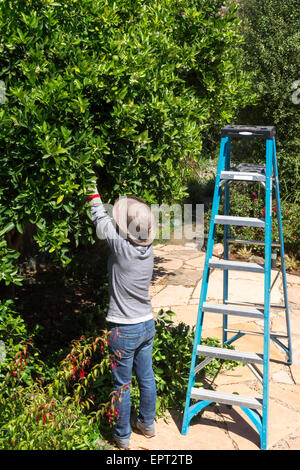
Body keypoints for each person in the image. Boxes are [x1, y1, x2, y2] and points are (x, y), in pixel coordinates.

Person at [87, 178, 157, 450]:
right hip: (146, 324)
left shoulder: (120, 248)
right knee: (146, 377)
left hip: (123, 329)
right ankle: (147, 424)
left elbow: (99, 216)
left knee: (122, 385)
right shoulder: (148, 250)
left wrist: (91, 186)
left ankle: (122, 437)